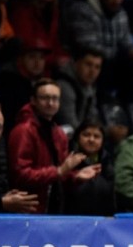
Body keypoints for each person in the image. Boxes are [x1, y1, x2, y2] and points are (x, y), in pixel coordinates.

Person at [8, 79, 101, 214]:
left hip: (53, 208)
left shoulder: (58, 133)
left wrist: (75, 176)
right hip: (27, 209)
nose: (50, 103)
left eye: (55, 98)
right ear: (33, 100)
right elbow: (20, 175)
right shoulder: (23, 131)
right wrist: (59, 171)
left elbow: (60, 174)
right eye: (45, 98)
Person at [65, 0, 133, 106]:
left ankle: (124, 110)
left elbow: (126, 41)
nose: (117, 0)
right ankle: (101, 109)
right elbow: (86, 44)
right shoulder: (82, 10)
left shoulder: (121, 14)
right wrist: (121, 55)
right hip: (86, 61)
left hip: (113, 62)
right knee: (101, 64)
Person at [9, 0, 68, 74]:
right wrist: (53, 59)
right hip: (30, 65)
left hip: (47, 65)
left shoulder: (54, 12)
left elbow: (55, 41)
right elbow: (26, 43)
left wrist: (63, 57)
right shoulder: (23, 11)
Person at [64, 119, 116, 216]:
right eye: (86, 135)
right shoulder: (67, 160)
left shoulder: (108, 163)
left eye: (96, 136)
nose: (91, 139)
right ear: (77, 138)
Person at [55, 47, 103, 130]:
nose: (92, 71)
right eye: (88, 64)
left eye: (97, 67)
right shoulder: (64, 86)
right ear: (76, 63)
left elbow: (92, 119)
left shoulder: (89, 86)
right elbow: (70, 125)